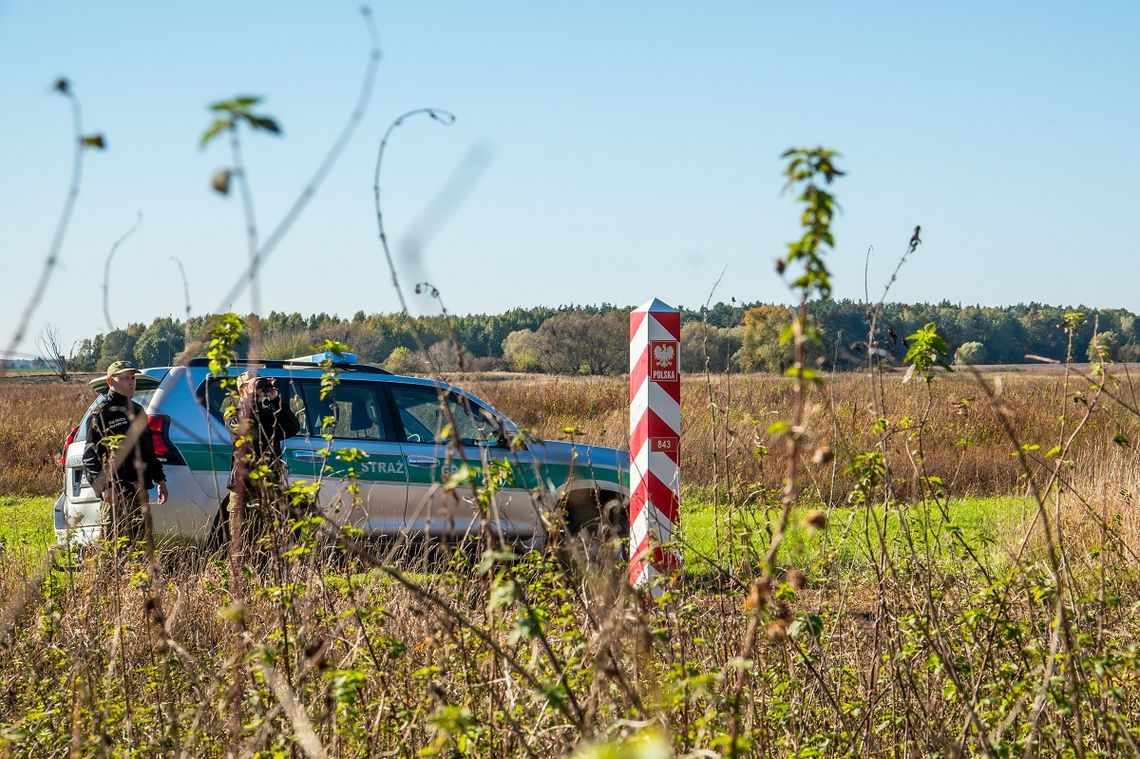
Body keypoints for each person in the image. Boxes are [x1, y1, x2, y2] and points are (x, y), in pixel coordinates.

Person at [213, 370, 301, 554]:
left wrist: (276, 399)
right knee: (240, 542)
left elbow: (292, 427)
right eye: (255, 386)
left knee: (268, 543)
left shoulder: (269, 414)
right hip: (243, 486)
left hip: (269, 486)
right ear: (241, 391)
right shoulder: (232, 414)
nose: (259, 390)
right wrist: (251, 398)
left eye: (260, 386)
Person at [82, 360, 169, 545]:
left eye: (132, 378)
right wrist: (104, 487)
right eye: (124, 378)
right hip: (116, 494)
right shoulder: (102, 414)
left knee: (143, 547)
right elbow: (89, 457)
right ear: (110, 381)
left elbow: (148, 451)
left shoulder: (138, 411)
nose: (131, 382)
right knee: (115, 548)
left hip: (139, 492)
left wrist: (160, 480)